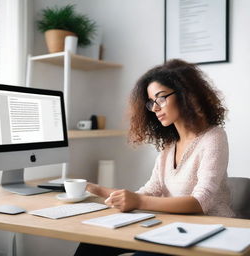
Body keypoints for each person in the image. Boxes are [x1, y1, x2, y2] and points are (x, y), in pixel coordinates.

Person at [74, 59, 235, 256]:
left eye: (161, 98)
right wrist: (96, 189)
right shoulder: (169, 146)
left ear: (186, 94)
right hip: (171, 227)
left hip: (210, 233)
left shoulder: (213, 136)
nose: (155, 108)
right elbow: (151, 191)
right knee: (91, 244)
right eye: (151, 102)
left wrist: (138, 202)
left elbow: (201, 202)